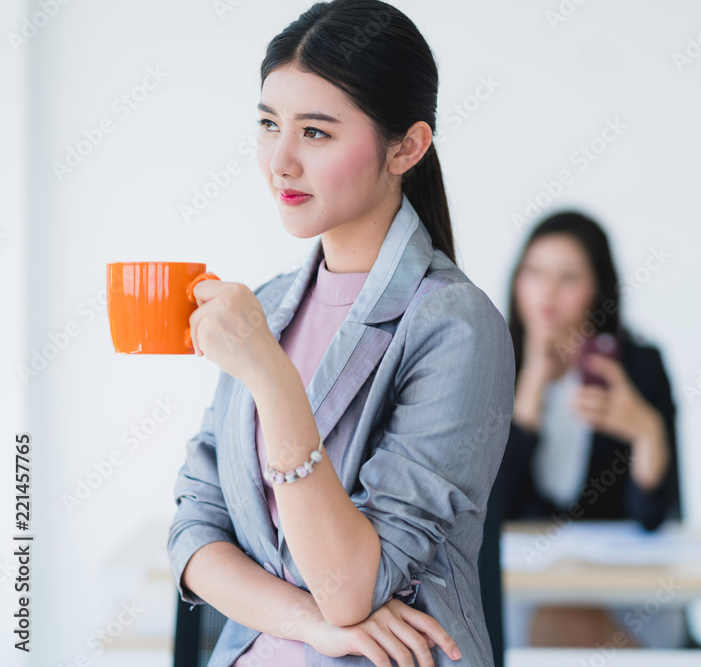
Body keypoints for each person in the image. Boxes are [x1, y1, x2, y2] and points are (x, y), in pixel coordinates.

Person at [166, 1, 515, 665]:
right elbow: (193, 530)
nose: (281, 161)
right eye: (269, 125)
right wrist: (308, 622)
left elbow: (351, 585)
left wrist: (270, 374)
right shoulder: (265, 306)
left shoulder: (455, 325)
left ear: (406, 146)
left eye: (317, 133)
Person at [495, 210, 692, 647]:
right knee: (565, 623)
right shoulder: (491, 364)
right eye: (534, 273)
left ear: (597, 289)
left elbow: (653, 517)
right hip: (527, 587)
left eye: (568, 278)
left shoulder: (638, 367)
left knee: (577, 626)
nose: (547, 292)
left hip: (624, 589)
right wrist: (528, 393)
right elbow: (493, 511)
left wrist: (645, 430)